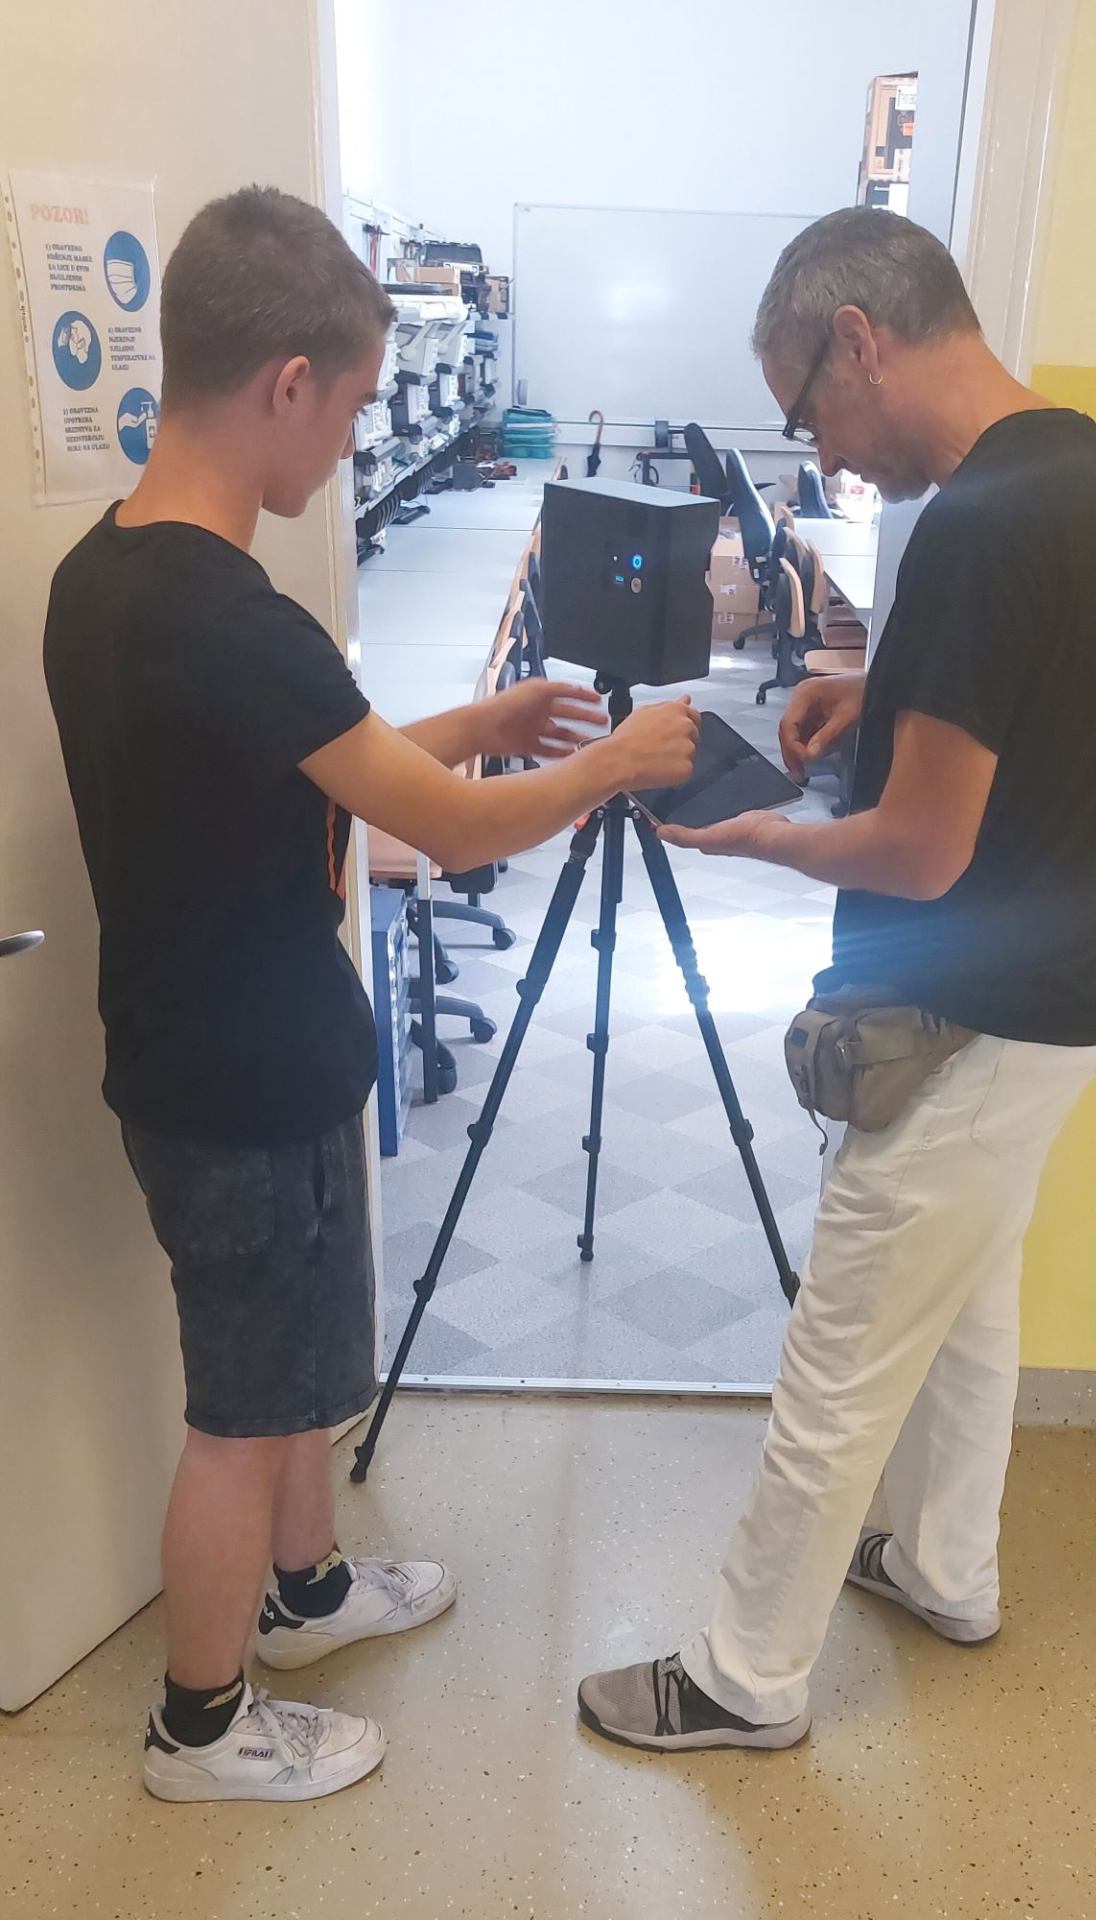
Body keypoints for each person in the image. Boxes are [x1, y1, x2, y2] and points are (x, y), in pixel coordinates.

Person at [43, 185, 699, 1803]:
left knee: (289, 1376)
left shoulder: (105, 576)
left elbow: (305, 758)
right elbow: (448, 831)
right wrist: (611, 763)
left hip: (220, 1049)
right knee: (241, 1409)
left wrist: (482, 721)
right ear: (286, 382)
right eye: (345, 408)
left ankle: (310, 1592)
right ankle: (201, 1729)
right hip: (242, 1080)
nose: (348, 442)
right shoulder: (236, 619)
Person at [578, 206, 1096, 1752]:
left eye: (809, 413)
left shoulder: (974, 528)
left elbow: (918, 850)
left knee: (841, 1350)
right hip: (1067, 993)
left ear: (860, 339)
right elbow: (1043, 699)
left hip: (964, 1018)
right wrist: (884, 690)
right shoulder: (1094, 471)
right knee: (971, 1304)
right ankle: (946, 1570)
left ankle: (744, 1677)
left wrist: (761, 838)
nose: (823, 455)